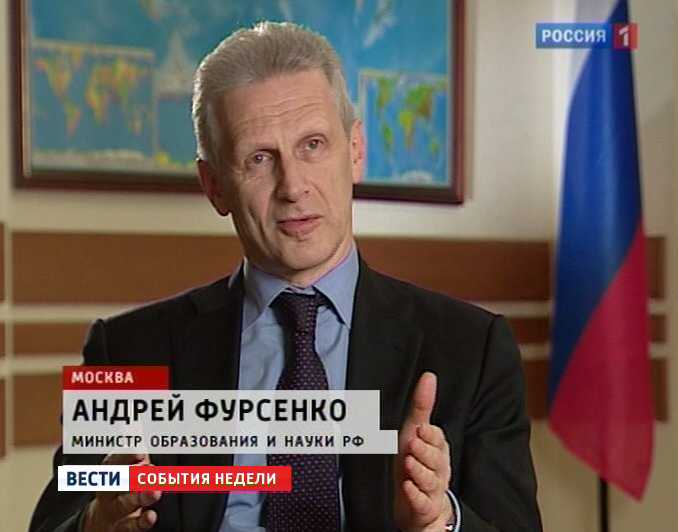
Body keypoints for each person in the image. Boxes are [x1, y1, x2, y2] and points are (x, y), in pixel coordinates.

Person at [30, 22, 541, 532]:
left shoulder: (471, 349)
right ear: (214, 186)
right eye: (258, 159)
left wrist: (442, 521)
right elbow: (58, 522)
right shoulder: (126, 351)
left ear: (356, 150)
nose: (292, 186)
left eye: (312, 145)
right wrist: (96, 522)